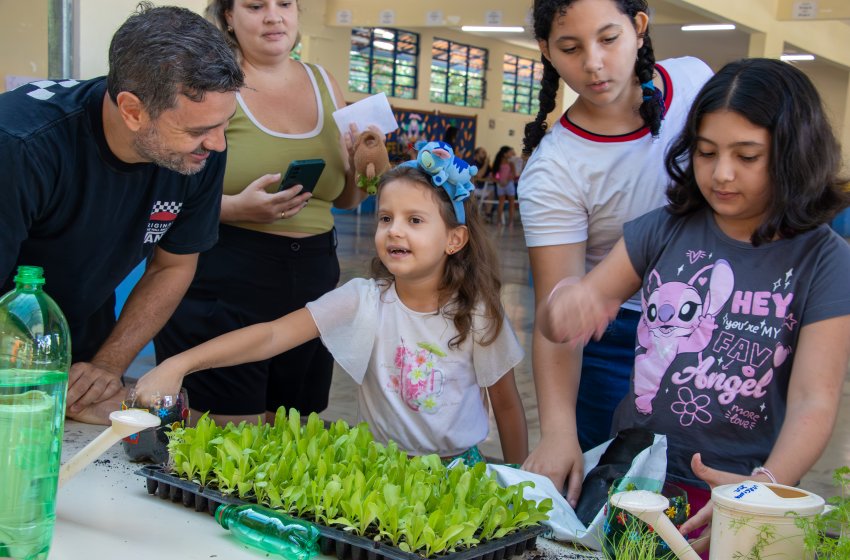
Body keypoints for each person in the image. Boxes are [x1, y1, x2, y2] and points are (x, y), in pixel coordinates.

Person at [538, 58, 850, 547]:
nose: (722, 174)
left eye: (747, 157)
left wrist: (760, 492)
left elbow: (816, 399)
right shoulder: (665, 227)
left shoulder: (824, 259)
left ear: (794, 154)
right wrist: (568, 308)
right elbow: (581, 302)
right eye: (707, 153)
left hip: (735, 491)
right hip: (633, 479)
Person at [136, 161, 529, 465]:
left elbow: (507, 405)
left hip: (458, 474)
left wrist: (521, 483)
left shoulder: (477, 314)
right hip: (378, 470)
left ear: (455, 239)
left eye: (414, 220)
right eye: (386, 217)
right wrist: (181, 363)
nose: (394, 230)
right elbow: (271, 336)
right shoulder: (364, 300)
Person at [0, 3, 244, 418]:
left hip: (79, 341)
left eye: (225, 123)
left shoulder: (201, 154)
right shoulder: (20, 147)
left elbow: (173, 266)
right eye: (199, 130)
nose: (218, 143)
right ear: (132, 110)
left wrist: (107, 365)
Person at [517, 0, 713, 504]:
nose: (594, 63)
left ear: (639, 28)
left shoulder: (695, 86)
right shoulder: (554, 169)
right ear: (546, 51)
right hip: (616, 340)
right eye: (570, 47)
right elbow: (559, 313)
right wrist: (558, 431)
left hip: (720, 324)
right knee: (615, 498)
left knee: (704, 490)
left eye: (609, 39)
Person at [153, 0, 366, 426]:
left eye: (285, 3)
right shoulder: (208, 83)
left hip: (313, 282)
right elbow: (163, 191)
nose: (274, 16)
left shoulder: (324, 82)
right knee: (228, 443)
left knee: (290, 436)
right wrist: (234, 208)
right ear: (228, 16)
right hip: (228, 276)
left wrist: (365, 164)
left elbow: (344, 199)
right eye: (255, 5)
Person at [492, 146, 519, 226]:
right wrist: (506, 181)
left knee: (501, 203)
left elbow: (496, 175)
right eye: (510, 152)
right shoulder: (510, 163)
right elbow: (513, 175)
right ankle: (510, 222)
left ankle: (499, 222)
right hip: (508, 184)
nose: (511, 154)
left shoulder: (498, 162)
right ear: (505, 154)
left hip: (501, 184)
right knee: (511, 203)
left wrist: (500, 181)